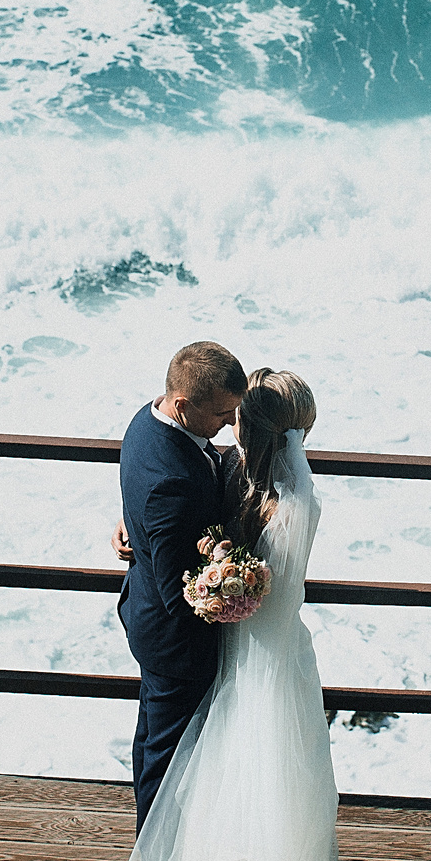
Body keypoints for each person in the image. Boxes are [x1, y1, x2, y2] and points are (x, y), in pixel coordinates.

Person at [113, 369, 348, 861]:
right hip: (252, 651)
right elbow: (183, 506)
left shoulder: (269, 493)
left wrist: (220, 582)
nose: (227, 426)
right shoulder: (256, 482)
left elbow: (233, 544)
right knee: (251, 771)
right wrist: (145, 532)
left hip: (253, 651)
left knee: (236, 768)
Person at [114, 340, 247, 830]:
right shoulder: (173, 484)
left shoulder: (145, 420)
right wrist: (234, 580)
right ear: (184, 405)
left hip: (145, 613)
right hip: (175, 645)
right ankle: (157, 858)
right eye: (222, 414)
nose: (230, 424)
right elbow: (181, 596)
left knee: (153, 741)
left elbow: (144, 493)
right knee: (169, 759)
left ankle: (155, 849)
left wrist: (133, 524)